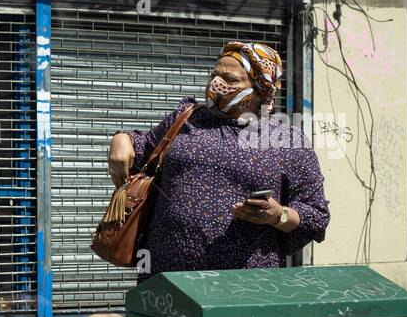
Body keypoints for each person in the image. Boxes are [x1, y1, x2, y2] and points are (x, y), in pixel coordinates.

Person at [106, 41, 330, 280]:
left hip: (244, 287)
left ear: (259, 88)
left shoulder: (285, 139)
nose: (216, 83)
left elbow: (316, 217)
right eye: (214, 75)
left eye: (230, 79)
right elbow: (143, 147)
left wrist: (277, 215)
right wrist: (121, 138)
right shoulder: (187, 118)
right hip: (166, 281)